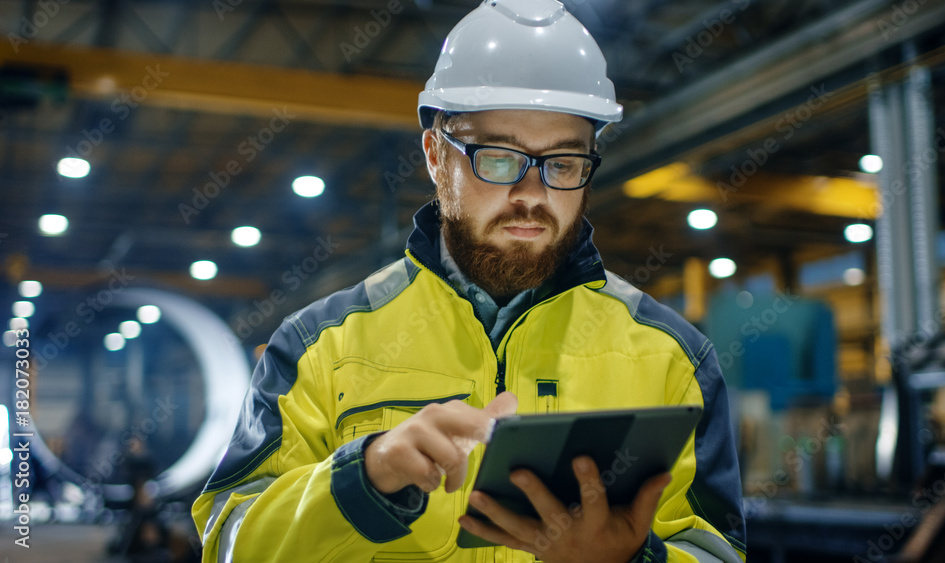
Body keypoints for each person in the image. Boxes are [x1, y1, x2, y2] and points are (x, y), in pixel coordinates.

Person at [192, 0, 746, 561]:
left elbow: (716, 549)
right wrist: (363, 479)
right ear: (436, 156)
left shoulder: (674, 359)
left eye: (562, 163)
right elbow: (230, 540)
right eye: (500, 158)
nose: (532, 193)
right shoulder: (319, 346)